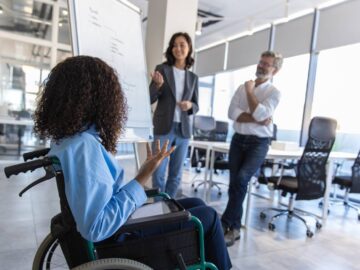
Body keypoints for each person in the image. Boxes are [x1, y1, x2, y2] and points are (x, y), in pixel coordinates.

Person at [34, 56, 231, 269]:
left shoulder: (67, 139)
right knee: (208, 217)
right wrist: (143, 176)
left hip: (118, 226)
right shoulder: (83, 147)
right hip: (120, 238)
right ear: (96, 97)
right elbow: (97, 226)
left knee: (196, 204)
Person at [221, 51, 283, 247]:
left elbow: (263, 112)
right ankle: (235, 228)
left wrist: (249, 93)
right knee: (234, 184)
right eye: (261, 62)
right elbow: (232, 112)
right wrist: (257, 117)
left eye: (267, 64)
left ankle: (225, 223)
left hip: (258, 143)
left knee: (241, 179)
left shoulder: (273, 93)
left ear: (275, 70)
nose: (262, 66)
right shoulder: (241, 87)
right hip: (238, 140)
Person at [149, 32, 199, 198]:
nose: (178, 48)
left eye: (182, 45)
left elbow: (196, 105)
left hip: (183, 130)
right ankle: (158, 206)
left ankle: (169, 205)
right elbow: (150, 98)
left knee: (176, 174)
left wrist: (190, 105)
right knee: (158, 173)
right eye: (174, 45)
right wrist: (158, 85)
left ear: (189, 48)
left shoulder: (193, 77)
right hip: (163, 128)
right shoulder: (162, 69)